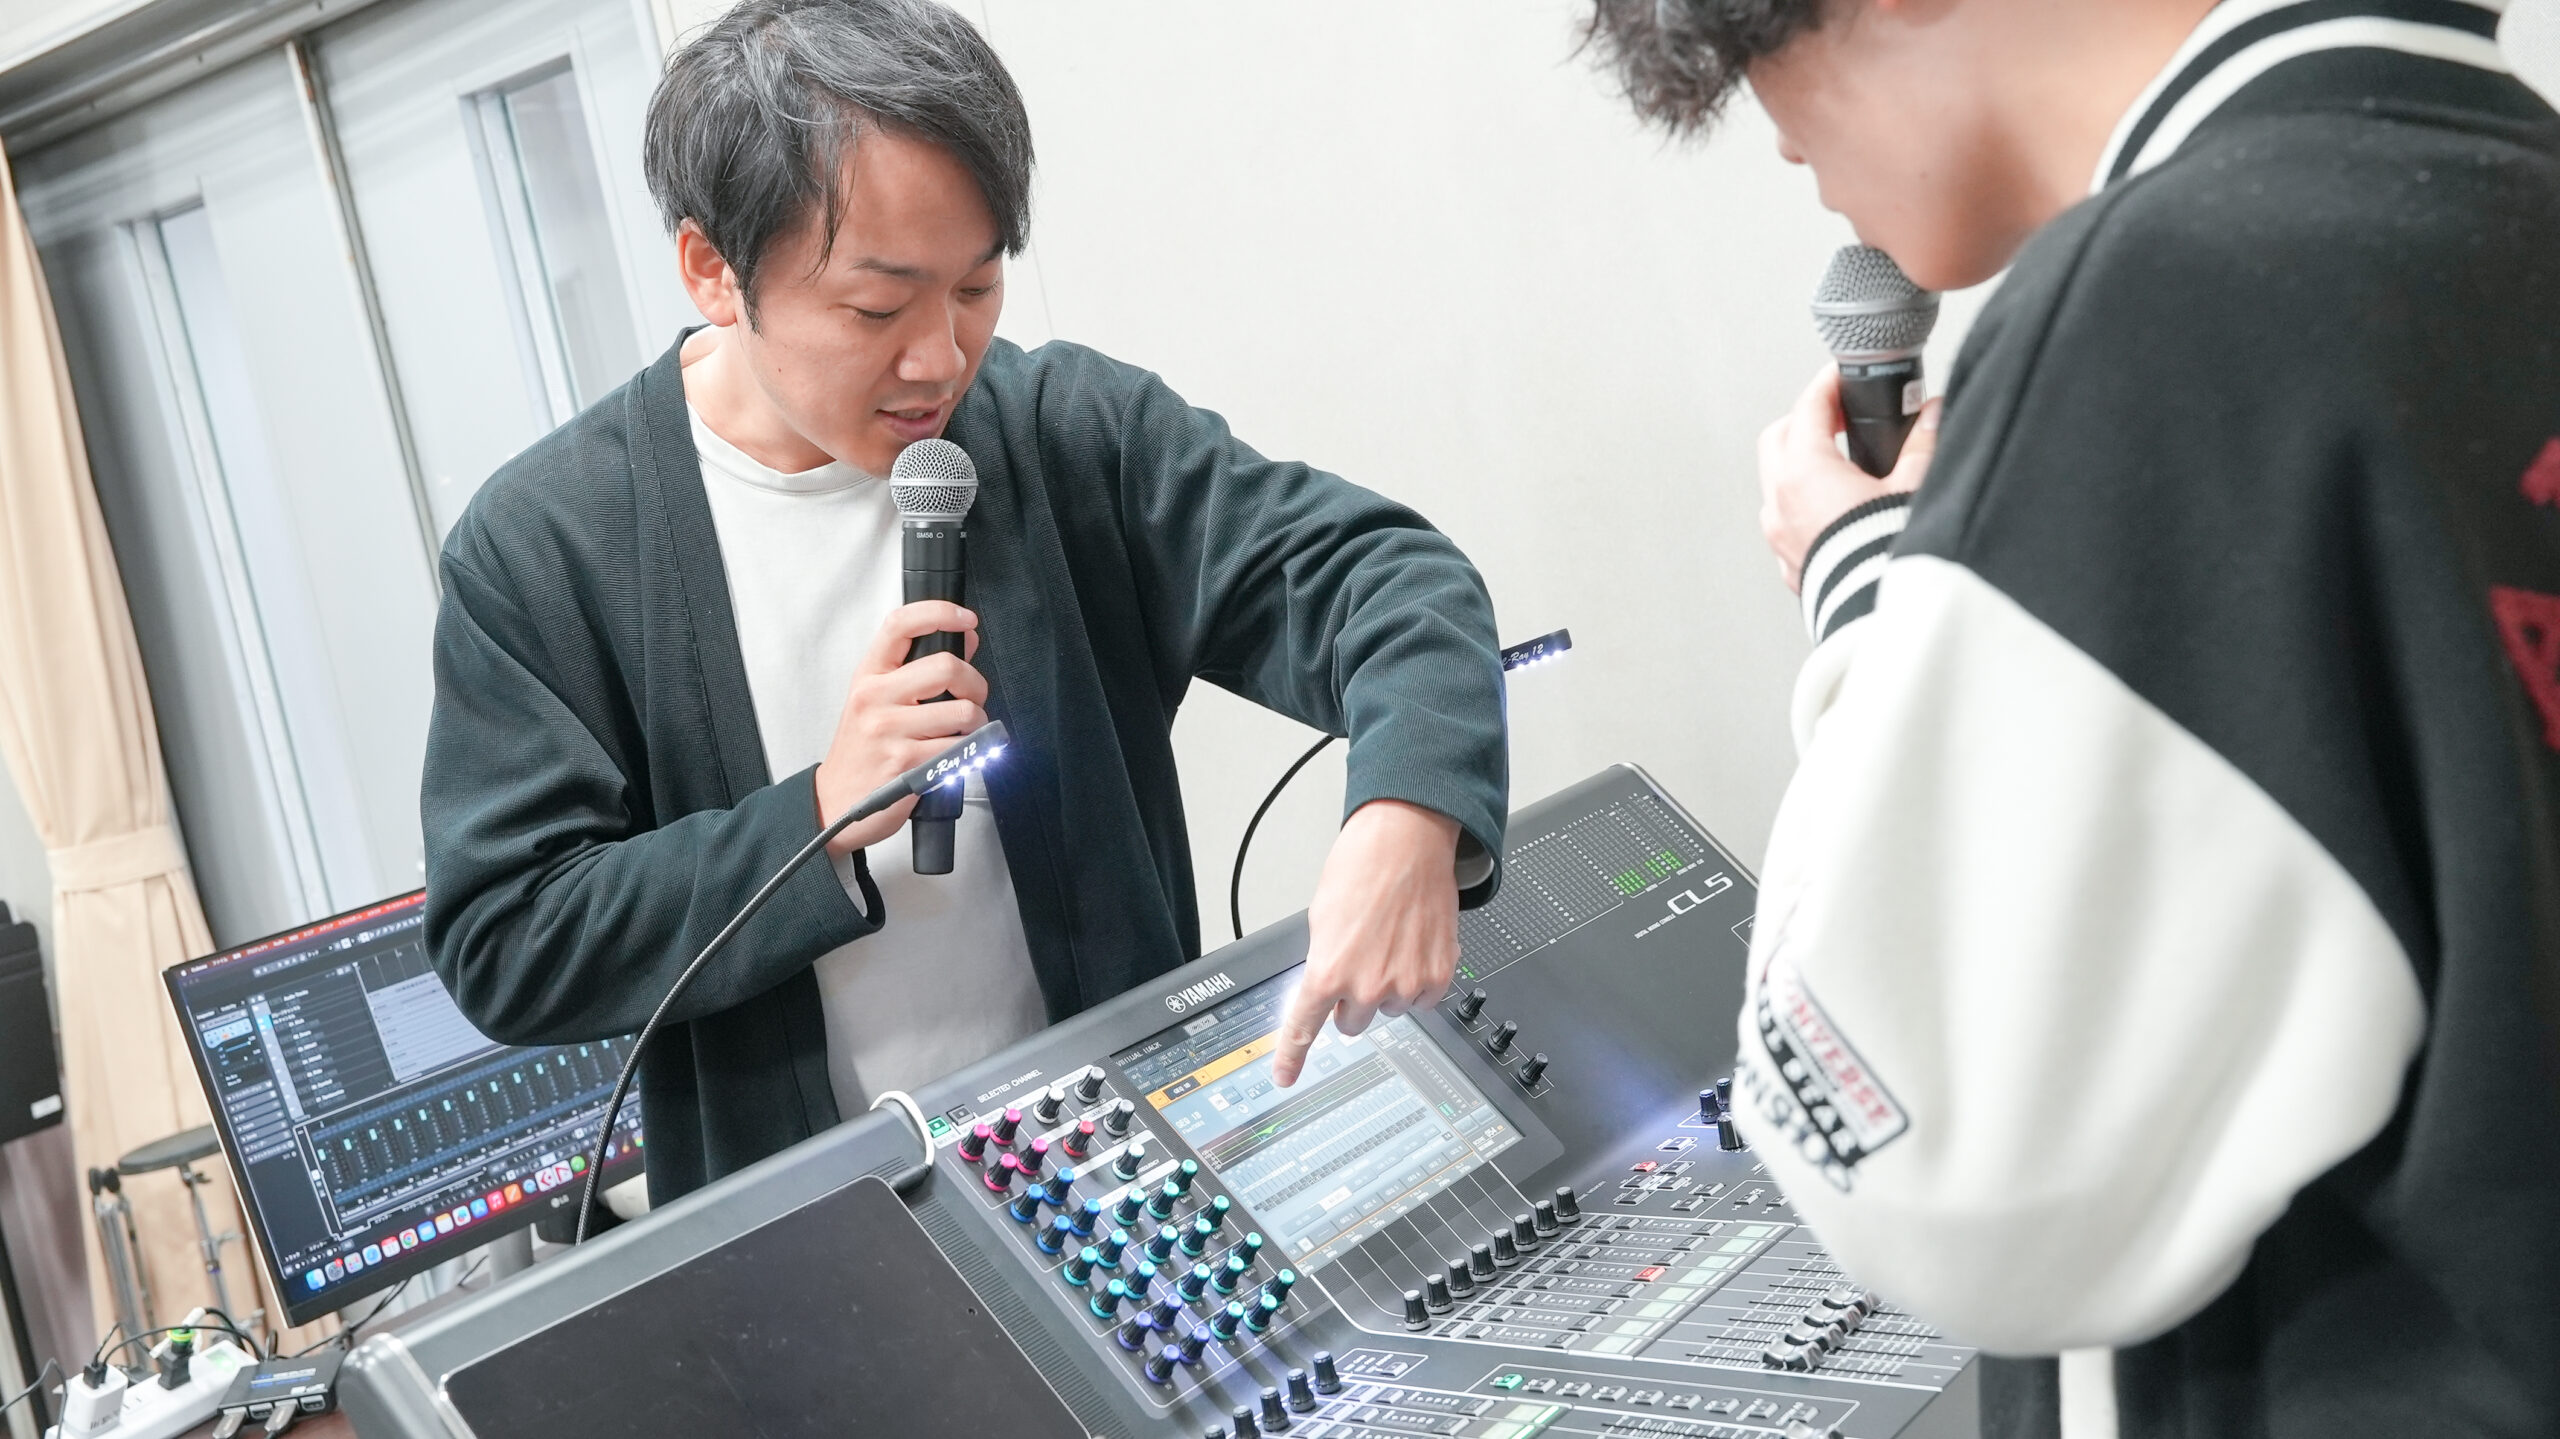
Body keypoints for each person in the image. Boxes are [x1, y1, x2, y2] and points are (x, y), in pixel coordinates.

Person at [1583, 1, 2560, 1436]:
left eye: (1753, 57)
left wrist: (1869, 592)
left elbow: (1928, 1166)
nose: (1780, 141)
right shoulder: (2511, 192)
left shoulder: (2165, 298)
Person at [421, 0, 1506, 1207]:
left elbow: (1386, 577)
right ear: (713, 270)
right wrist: (817, 818)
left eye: (976, 287)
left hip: (1131, 1183)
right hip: (821, 1246)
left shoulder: (1063, 431)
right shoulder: (547, 545)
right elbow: (506, 936)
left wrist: (1407, 810)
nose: (941, 357)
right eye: (877, 309)